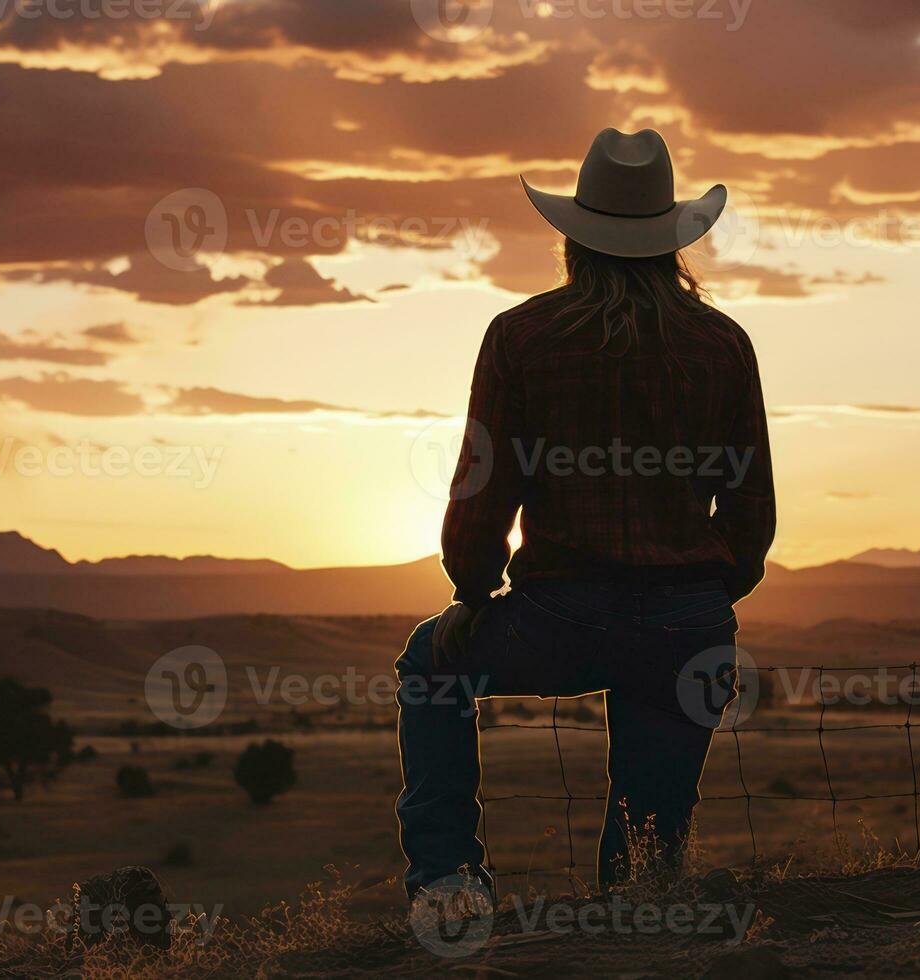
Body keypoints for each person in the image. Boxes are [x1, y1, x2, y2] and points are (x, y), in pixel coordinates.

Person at [394, 128, 776, 900]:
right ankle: (637, 928)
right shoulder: (722, 343)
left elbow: (482, 485)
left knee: (429, 665)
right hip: (687, 627)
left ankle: (448, 882)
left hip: (560, 616)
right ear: (672, 242)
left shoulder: (522, 336)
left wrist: (471, 591)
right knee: (647, 851)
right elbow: (750, 505)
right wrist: (701, 597)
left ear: (575, 241)